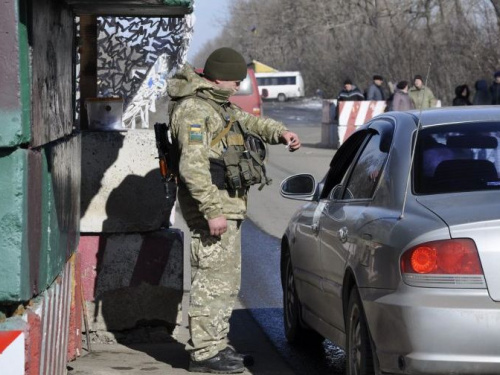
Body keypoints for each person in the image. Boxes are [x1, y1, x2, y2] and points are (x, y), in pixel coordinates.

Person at [167, 47, 301, 374]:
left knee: (225, 282)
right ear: (218, 77)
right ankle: (204, 354)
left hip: (228, 206)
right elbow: (193, 168)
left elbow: (249, 122)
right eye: (236, 80)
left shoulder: (217, 105)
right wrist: (212, 210)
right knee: (211, 281)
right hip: (213, 208)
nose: (239, 87)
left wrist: (279, 133)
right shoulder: (194, 111)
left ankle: (216, 345)